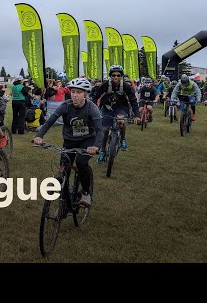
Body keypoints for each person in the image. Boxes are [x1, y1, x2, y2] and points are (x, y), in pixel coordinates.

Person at [32, 78, 101, 207]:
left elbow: (99, 130)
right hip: (69, 141)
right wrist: (39, 136)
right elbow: (50, 121)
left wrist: (95, 146)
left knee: (81, 163)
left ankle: (86, 192)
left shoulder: (92, 108)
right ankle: (64, 201)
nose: (74, 95)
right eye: (73, 91)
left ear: (85, 94)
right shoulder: (65, 106)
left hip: (87, 141)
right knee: (64, 169)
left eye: (78, 92)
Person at [93, 65, 140, 163]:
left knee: (120, 120)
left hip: (121, 107)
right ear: (110, 76)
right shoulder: (105, 85)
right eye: (113, 75)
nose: (116, 77)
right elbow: (95, 96)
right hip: (107, 107)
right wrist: (93, 109)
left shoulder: (126, 86)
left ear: (121, 76)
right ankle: (102, 151)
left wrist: (137, 115)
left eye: (118, 75)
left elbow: (133, 100)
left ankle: (123, 139)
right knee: (105, 130)